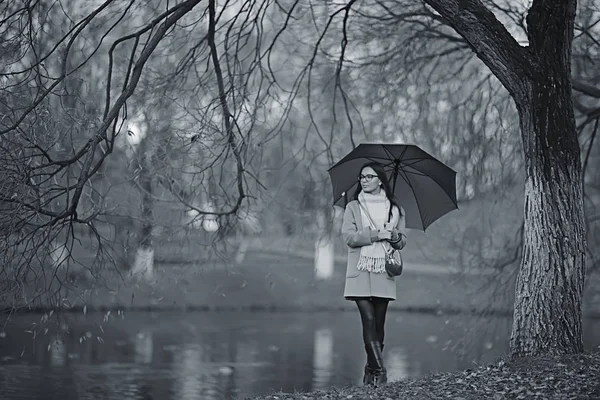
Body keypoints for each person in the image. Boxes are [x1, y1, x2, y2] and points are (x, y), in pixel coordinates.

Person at [341, 162, 407, 386]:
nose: (364, 180)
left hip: (383, 271)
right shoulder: (353, 207)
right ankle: (380, 371)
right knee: (368, 319)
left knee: (379, 323)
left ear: (381, 180)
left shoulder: (395, 210)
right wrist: (376, 234)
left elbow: (402, 242)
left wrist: (393, 233)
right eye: (362, 177)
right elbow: (349, 237)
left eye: (369, 177)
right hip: (360, 270)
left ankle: (370, 371)